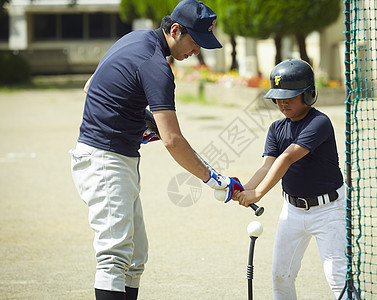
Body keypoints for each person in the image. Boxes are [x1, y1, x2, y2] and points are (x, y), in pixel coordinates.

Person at [70, 1, 242, 299]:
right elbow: (173, 140)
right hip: (105, 160)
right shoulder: (157, 65)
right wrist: (214, 179)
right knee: (115, 257)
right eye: (195, 42)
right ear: (175, 29)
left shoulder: (133, 39)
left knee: (135, 258)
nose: (196, 51)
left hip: (114, 158)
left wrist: (141, 120)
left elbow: (91, 86)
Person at [234, 59, 346, 299]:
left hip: (328, 211)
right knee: (281, 276)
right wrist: (243, 188)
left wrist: (258, 194)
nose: (282, 102)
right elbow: (267, 166)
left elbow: (286, 159)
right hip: (293, 211)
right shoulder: (276, 128)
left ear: (308, 94)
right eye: (278, 96)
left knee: (338, 280)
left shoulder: (319, 122)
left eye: (290, 96)